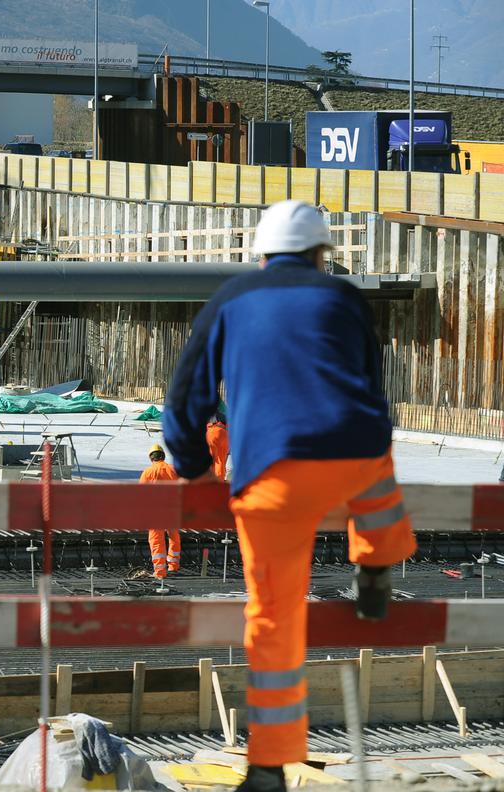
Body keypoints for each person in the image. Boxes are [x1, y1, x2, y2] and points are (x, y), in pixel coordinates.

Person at [162, 200, 417, 792]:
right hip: (354, 455)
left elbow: (185, 398)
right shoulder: (346, 298)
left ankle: (269, 767)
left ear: (261, 253)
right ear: (322, 254)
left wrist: (195, 464)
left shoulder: (230, 300)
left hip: (271, 473)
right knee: (375, 482)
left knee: (274, 617)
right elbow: (373, 393)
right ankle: (376, 566)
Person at [140, 443, 180, 578]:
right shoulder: (173, 469)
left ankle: (160, 571)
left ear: (151, 458)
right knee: (174, 536)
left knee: (156, 540)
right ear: (162, 456)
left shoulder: (148, 472)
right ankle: (173, 565)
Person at [206, 414, 230, 480]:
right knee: (220, 461)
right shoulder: (226, 408)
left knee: (212, 461)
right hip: (224, 432)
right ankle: (220, 481)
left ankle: (211, 481)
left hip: (211, 430)